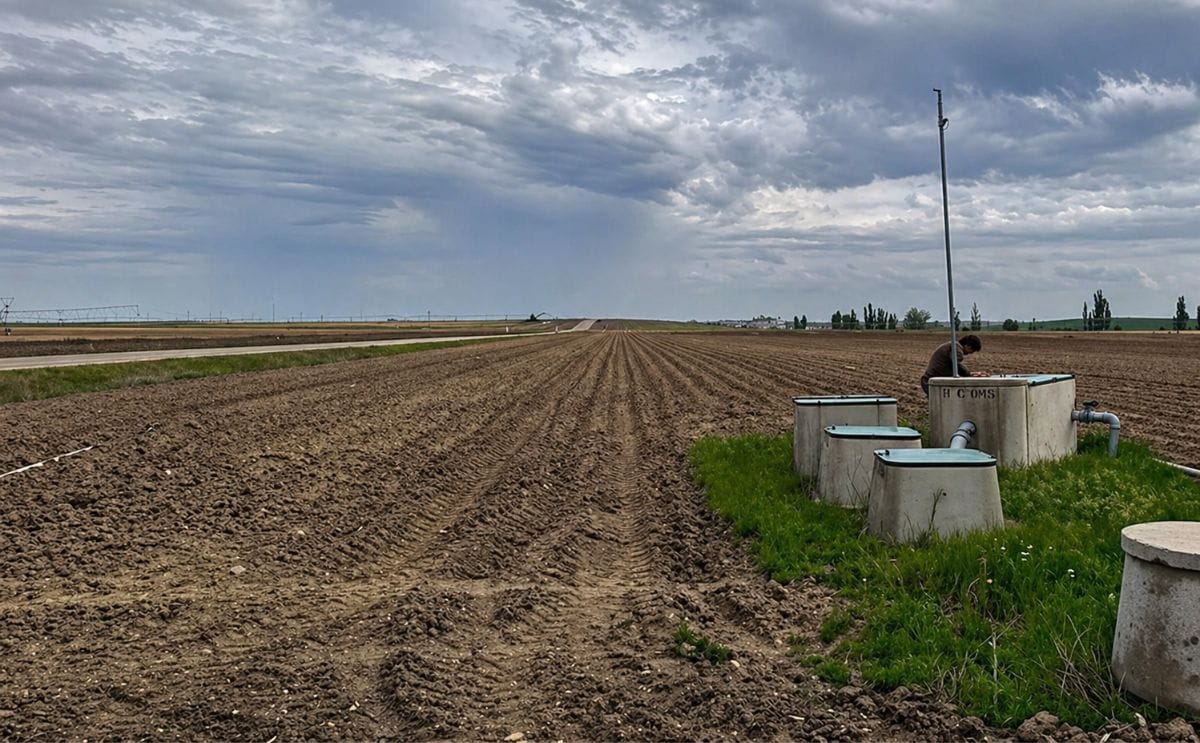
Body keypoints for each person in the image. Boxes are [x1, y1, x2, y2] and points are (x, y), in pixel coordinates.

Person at [921, 334, 988, 396]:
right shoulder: (957, 350)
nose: (970, 353)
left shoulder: (953, 346)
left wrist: (971, 373)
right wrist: (970, 374)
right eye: (972, 351)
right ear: (967, 346)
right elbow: (955, 365)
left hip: (930, 380)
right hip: (932, 382)